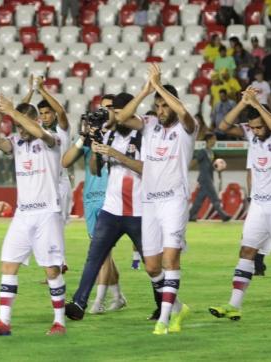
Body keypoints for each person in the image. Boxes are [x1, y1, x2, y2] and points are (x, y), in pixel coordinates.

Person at [116, 63, 196, 335]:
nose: (161, 111)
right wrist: (146, 90)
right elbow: (123, 117)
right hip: (149, 202)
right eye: (158, 106)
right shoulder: (149, 125)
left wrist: (160, 85)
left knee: (170, 260)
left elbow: (184, 112)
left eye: (164, 105)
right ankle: (177, 308)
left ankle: (163, 320)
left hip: (174, 201)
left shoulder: (186, 128)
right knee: (152, 267)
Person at [209, 85, 271, 321]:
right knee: (247, 250)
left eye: (260, 127)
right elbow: (223, 126)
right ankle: (234, 304)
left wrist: (258, 105)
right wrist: (244, 103)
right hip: (258, 204)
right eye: (253, 127)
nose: (256, 131)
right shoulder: (251, 133)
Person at [0, 95, 66, 337]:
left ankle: (59, 322)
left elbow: (40, 133)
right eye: (17, 126)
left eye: (23, 124)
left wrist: (13, 111)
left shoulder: (52, 139)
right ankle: (3, 321)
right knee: (8, 265)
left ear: (36, 120)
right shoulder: (17, 142)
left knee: (51, 270)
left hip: (47, 213)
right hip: (23, 214)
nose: (21, 129)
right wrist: (0, 114)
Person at [63, 92, 150, 321]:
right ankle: (80, 303)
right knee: (95, 256)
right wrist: (95, 148)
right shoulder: (109, 135)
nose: (107, 115)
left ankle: (166, 304)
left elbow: (145, 168)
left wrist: (114, 154)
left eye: (112, 110)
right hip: (111, 209)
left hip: (137, 210)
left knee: (151, 264)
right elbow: (94, 169)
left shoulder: (143, 135)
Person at [61, 94, 126, 316]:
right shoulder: (91, 136)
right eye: (102, 109)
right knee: (104, 253)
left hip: (111, 198)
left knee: (101, 252)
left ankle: (97, 299)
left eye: (110, 108)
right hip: (91, 198)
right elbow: (66, 161)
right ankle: (117, 296)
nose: (105, 113)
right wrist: (84, 138)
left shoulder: (121, 136)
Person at [21, 74, 73, 224]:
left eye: (48, 112)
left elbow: (62, 112)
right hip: (42, 182)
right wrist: (32, 90)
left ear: (54, 113)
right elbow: (20, 114)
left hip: (60, 181)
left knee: (58, 226)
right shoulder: (38, 129)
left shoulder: (62, 129)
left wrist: (42, 90)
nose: (44, 116)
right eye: (41, 113)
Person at [189, 133, 232, 221]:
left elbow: (213, 166)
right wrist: (186, 169)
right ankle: (223, 215)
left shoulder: (211, 153)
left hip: (208, 178)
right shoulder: (202, 151)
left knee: (199, 199)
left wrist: (219, 172)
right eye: (213, 139)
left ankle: (191, 215)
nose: (215, 141)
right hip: (205, 179)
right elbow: (195, 161)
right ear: (208, 140)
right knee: (214, 197)